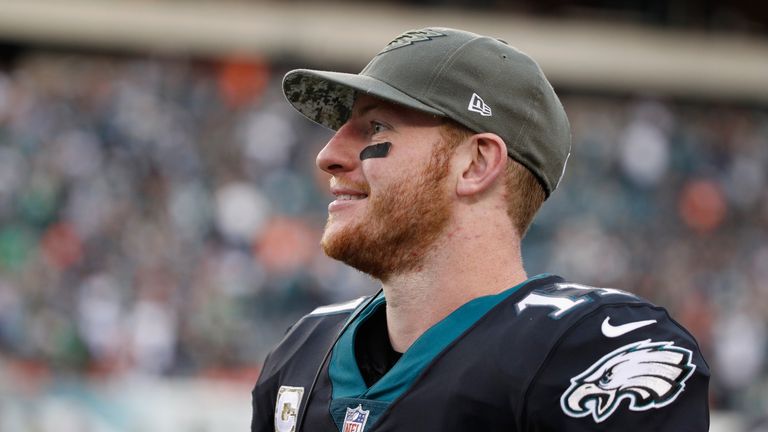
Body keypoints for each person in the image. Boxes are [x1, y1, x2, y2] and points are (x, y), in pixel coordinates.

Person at [251, 27, 709, 431]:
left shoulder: (594, 348)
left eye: (375, 127)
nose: (327, 155)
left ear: (476, 163)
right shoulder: (304, 352)